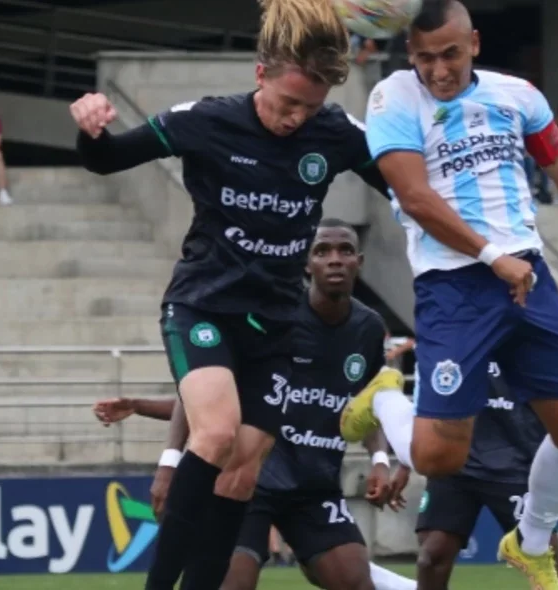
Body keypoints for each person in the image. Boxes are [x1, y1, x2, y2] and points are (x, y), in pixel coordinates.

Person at [353, 2, 558, 588]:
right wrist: (490, 257)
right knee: (437, 459)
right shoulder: (393, 98)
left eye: (450, 54)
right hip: (453, 285)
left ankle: (530, 542)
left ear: (474, 43)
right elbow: (416, 198)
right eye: (424, 58)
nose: (438, 70)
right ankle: (382, 397)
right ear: (410, 57)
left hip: (526, 273)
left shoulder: (517, 95)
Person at [70, 1, 389, 587]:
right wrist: (91, 128)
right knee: (215, 434)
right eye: (287, 102)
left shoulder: (336, 133)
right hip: (203, 305)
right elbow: (109, 159)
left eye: (308, 108)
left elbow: (402, 185)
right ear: (260, 73)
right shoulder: (207, 121)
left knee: (242, 474)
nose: (296, 118)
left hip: (275, 324)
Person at [90, 221, 417, 590]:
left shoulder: (368, 328)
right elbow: (207, 397)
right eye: (322, 251)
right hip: (249, 482)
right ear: (306, 264)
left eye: (344, 251)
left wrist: (379, 460)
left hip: (314, 488)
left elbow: (367, 403)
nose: (334, 260)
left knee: (356, 581)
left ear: (359, 261)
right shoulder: (274, 318)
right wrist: (169, 463)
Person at [415, 361, 558, 590]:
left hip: (515, 466)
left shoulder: (532, 333)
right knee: (430, 558)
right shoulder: (454, 332)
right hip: (457, 461)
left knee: (555, 569)